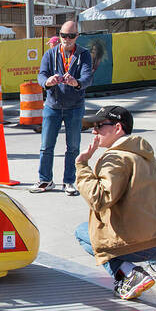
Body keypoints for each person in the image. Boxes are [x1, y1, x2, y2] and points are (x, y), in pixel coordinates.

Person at [74, 106, 156, 300]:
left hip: (141, 245)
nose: (94, 131)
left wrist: (82, 165)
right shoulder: (143, 153)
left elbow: (99, 199)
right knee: (146, 210)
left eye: (99, 126)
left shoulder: (115, 158)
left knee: (82, 232)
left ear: (118, 127)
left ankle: (128, 274)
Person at [30, 21, 93, 196]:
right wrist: (47, 82)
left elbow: (88, 77)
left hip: (74, 106)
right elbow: (41, 74)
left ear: (77, 36)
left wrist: (77, 82)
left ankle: (69, 181)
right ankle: (45, 180)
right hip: (53, 106)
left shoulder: (83, 55)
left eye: (71, 36)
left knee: (73, 146)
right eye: (64, 36)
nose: (67, 39)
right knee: (46, 145)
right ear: (59, 36)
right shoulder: (50, 54)